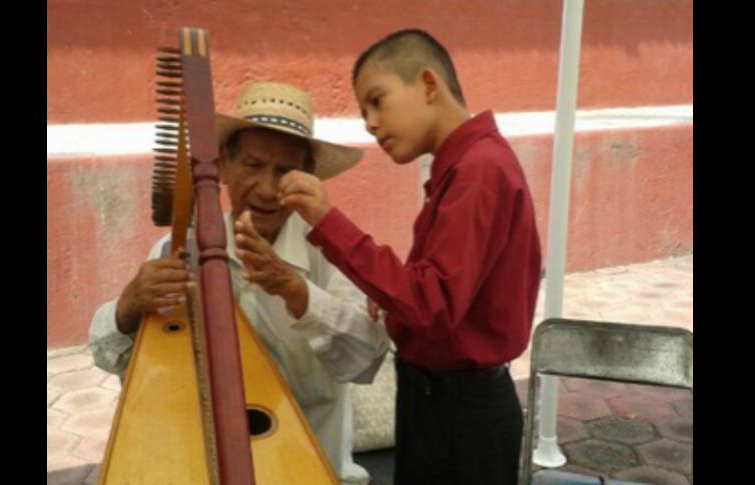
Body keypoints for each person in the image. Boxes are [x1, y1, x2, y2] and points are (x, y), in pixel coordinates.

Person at [89, 81, 390, 485]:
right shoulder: (181, 249)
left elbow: (366, 360)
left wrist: (296, 292)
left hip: (309, 468)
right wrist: (128, 307)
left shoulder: (329, 251)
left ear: (306, 178)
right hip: (201, 463)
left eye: (284, 171)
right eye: (252, 165)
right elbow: (110, 356)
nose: (267, 189)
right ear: (224, 167)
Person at [278, 29, 542, 485]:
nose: (370, 123)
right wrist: (395, 295)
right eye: (364, 112)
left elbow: (430, 303)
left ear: (428, 84)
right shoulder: (463, 168)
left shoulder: (478, 171)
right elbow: (440, 290)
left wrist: (326, 219)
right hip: (438, 401)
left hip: (461, 416)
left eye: (377, 101)